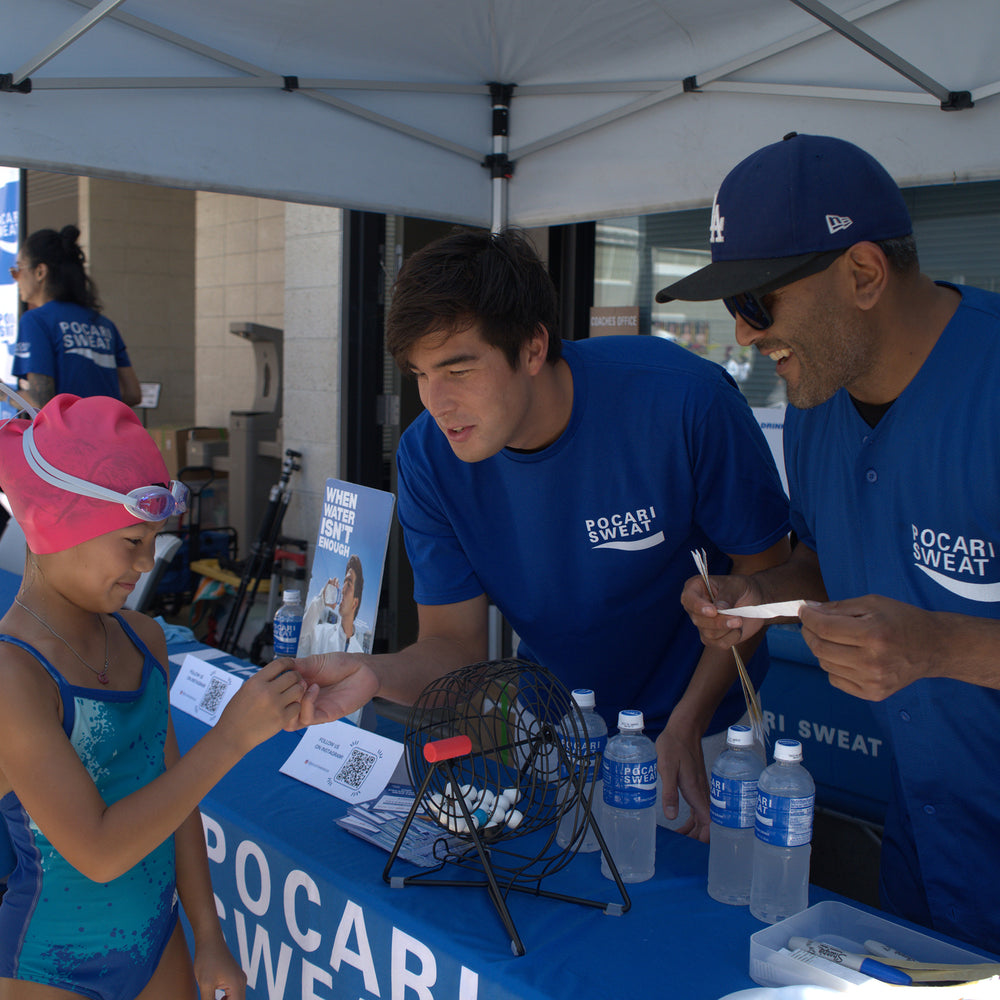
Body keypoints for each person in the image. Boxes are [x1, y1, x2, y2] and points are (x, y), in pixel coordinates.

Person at [291, 227, 791, 840]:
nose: (436, 403)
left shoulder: (684, 401)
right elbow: (454, 649)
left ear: (532, 348)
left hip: (710, 733)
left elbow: (764, 578)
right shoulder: (427, 456)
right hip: (557, 734)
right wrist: (371, 672)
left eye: (458, 369)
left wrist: (690, 719)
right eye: (419, 375)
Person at [667, 132, 1000, 950]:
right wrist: (762, 596)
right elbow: (821, 557)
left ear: (862, 274)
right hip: (927, 844)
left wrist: (941, 647)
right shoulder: (819, 407)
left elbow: (930, 639)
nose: (743, 335)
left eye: (757, 302)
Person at [0, 389, 305, 998]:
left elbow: (173, 801)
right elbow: (100, 850)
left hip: (157, 942)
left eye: (155, 541)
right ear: (56, 526)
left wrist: (207, 935)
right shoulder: (14, 676)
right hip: (50, 968)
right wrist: (231, 738)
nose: (147, 564)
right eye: (132, 542)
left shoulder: (142, 639)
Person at [11, 225, 142, 407]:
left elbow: (41, 399)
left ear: (40, 272)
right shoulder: (105, 325)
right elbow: (133, 394)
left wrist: (6, 395)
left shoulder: (36, 320)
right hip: (108, 432)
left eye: (17, 269)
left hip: (66, 435)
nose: (15, 278)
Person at [298, 555, 366, 656]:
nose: (342, 590)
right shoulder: (322, 633)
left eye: (348, 584)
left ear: (355, 603)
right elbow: (301, 640)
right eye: (344, 583)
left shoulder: (360, 654)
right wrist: (321, 601)